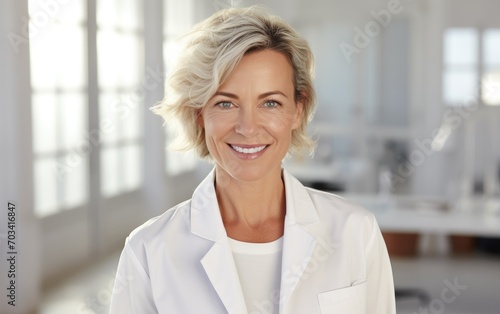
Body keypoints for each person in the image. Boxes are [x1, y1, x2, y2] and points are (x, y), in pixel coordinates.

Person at [109, 6, 396, 314]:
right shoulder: (149, 251)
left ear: (298, 111)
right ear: (199, 113)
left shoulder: (355, 232)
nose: (248, 128)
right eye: (225, 103)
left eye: (270, 102)